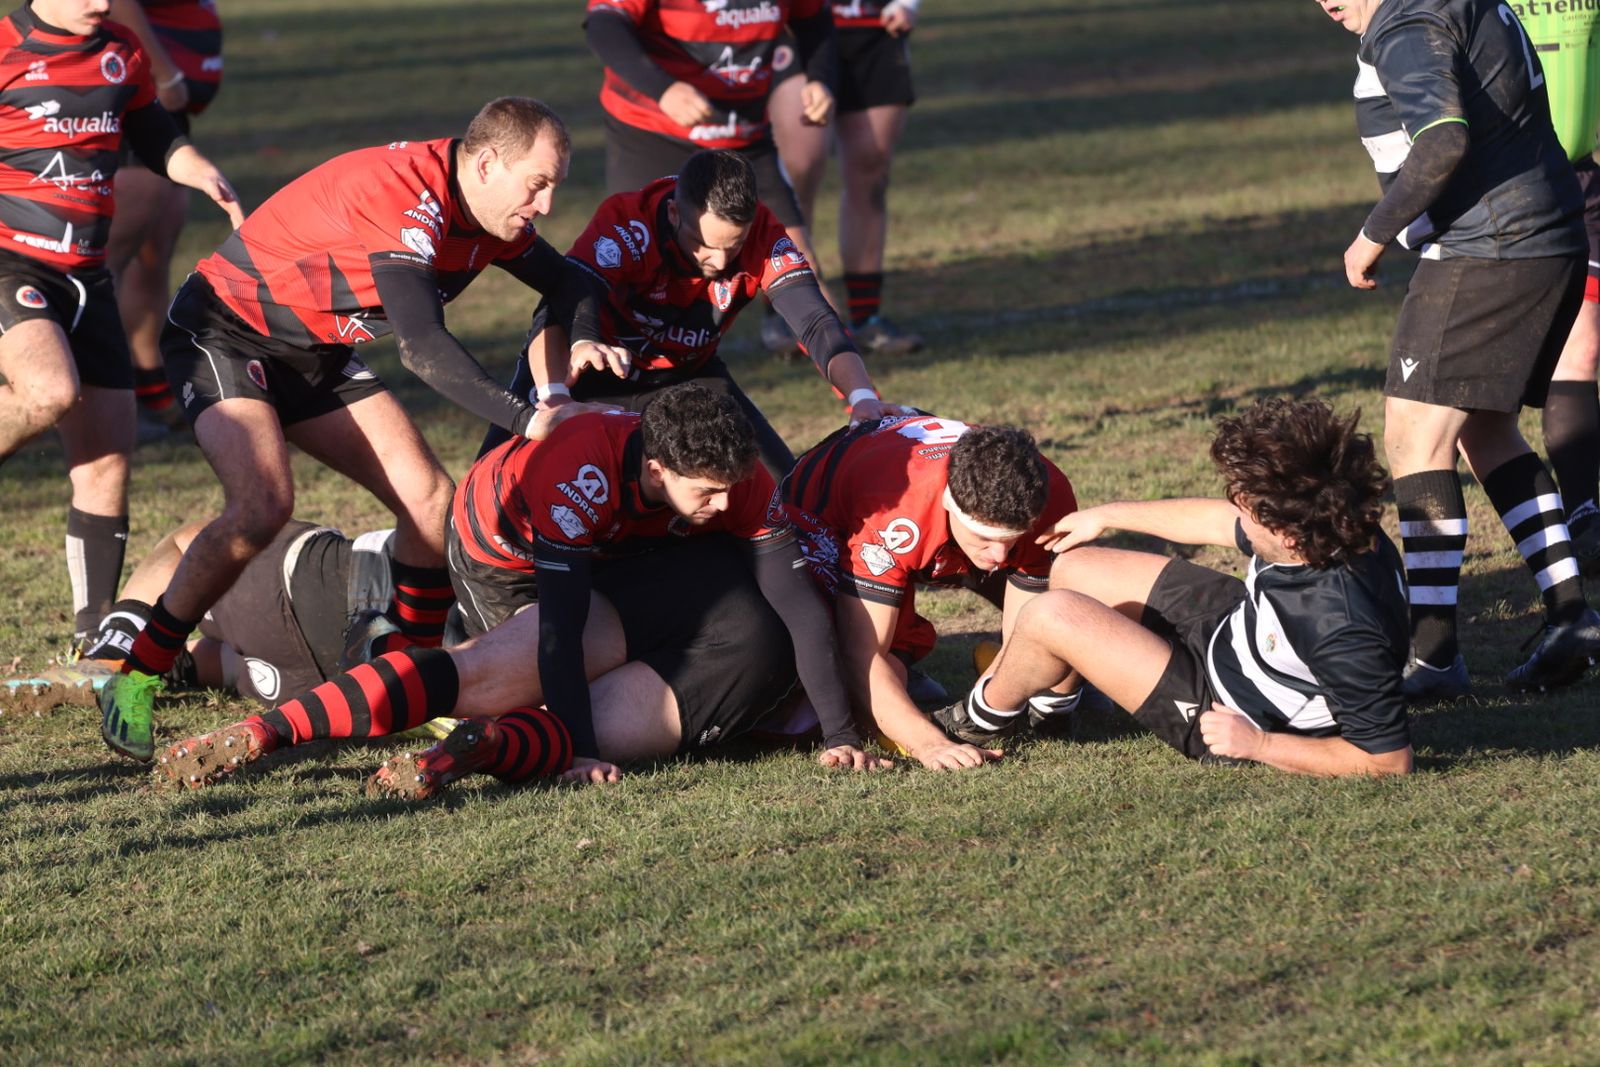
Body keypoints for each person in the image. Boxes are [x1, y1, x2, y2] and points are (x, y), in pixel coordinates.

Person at [97, 96, 605, 762]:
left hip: (312, 352)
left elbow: (574, 282)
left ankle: (399, 677)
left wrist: (581, 354)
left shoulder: (487, 210)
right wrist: (528, 418)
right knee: (262, 505)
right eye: (537, 185)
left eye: (553, 187)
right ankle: (137, 674)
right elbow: (422, 345)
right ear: (486, 165)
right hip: (224, 331)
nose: (543, 204)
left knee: (430, 500)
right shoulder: (408, 201)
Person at [152, 384, 890, 794]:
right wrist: (573, 748)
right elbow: (560, 625)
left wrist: (841, 734)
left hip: (664, 599)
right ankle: (488, 741)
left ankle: (277, 726)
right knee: (522, 691)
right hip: (496, 554)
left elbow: (793, 601)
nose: (726, 506)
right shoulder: (580, 468)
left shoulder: (731, 477)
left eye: (732, 490)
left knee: (490, 681)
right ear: (659, 469)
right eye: (709, 493)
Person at [1322, 0, 1600, 697]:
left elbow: (1443, 137)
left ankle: (1436, 654)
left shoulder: (1408, 21)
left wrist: (1373, 233)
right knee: (1484, 427)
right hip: (1546, 230)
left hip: (1491, 249)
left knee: (1414, 433)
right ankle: (1572, 617)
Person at [934, 399, 1414, 778]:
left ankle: (978, 720)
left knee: (1051, 615)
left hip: (1230, 708)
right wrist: (1106, 516)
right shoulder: (1326, 524)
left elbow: (1387, 761)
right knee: (1076, 568)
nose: (1235, 508)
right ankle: (1052, 713)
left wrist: (1260, 745)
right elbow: (1213, 518)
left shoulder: (1340, 625)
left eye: (1247, 506)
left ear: (1287, 534)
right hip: (1233, 629)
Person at [0, 0, 241, 655]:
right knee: (50, 390)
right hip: (11, 262)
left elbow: (159, 138)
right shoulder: (5, 46)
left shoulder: (122, 52)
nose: (103, 3)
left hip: (89, 277)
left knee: (106, 460)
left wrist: (202, 173)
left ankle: (91, 646)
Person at [486, 149, 905, 476]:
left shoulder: (764, 234)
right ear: (673, 213)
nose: (720, 262)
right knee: (498, 476)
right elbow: (559, 306)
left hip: (685, 373)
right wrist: (555, 394)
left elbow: (814, 320)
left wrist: (861, 397)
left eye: (733, 246)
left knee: (783, 495)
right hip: (591, 369)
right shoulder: (628, 223)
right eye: (703, 243)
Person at [779, 413, 1077, 768]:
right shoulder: (897, 514)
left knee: (1062, 597)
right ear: (951, 502)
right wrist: (928, 743)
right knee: (873, 662)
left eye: (1010, 539)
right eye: (985, 537)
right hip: (822, 517)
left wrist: (1011, 684)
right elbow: (862, 655)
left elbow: (1032, 622)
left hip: (918, 501)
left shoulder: (1047, 490)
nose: (1000, 554)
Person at [583, 0, 842, 357]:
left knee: (806, 272)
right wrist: (664, 88)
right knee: (631, 274)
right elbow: (603, 24)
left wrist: (821, 77)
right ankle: (604, 384)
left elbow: (816, 19)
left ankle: (863, 401)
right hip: (651, 131)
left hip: (744, 140)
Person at [78, 517, 414, 709]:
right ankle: (170, 662)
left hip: (316, 590)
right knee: (244, 660)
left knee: (191, 542)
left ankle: (117, 648)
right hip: (337, 691)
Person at [769, 0, 923, 355]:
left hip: (874, 24)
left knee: (871, 169)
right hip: (797, 27)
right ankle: (786, 312)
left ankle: (866, 317)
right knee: (799, 166)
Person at [104, 0, 223, 435]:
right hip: (140, 89)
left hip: (166, 104)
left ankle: (149, 386)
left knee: (153, 252)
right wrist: (164, 72)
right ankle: (91, 398)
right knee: (101, 269)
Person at [1517, 0, 1600, 572]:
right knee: (1579, 345)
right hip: (1524, 170)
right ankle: (1577, 518)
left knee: (1587, 342)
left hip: (1591, 164)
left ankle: (1587, 512)